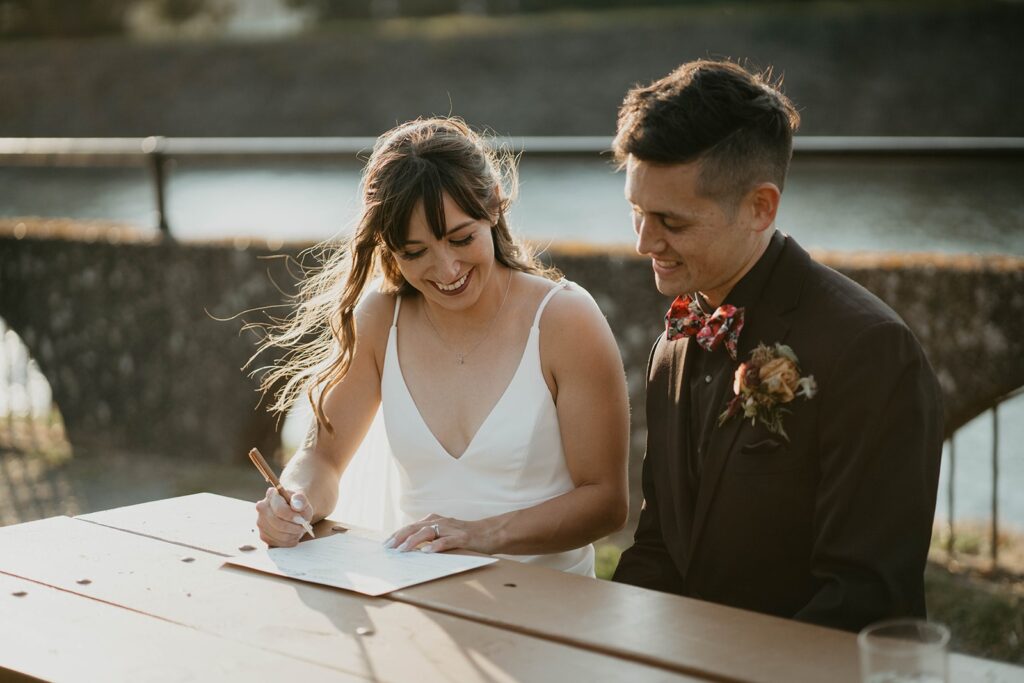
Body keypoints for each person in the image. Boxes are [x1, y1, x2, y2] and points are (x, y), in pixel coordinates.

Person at [610, 60, 944, 630]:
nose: (644, 243)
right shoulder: (674, 341)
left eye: (671, 221)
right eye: (637, 212)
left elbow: (864, 596)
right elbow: (659, 547)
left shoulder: (870, 351)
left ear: (761, 207)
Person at [253, 117, 629, 576]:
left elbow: (606, 502)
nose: (446, 269)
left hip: (549, 608)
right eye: (415, 253)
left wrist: (479, 534)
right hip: (418, 598)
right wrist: (294, 500)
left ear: (492, 205)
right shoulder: (379, 319)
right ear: (389, 250)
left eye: (461, 238)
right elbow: (323, 459)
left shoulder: (565, 320)